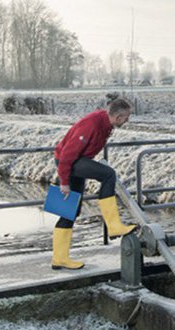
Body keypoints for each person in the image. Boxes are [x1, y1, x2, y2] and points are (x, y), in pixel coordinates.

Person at [50, 97, 138, 269]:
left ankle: (59, 258)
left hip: (76, 161)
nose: (127, 120)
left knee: (71, 211)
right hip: (67, 162)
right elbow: (68, 154)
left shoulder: (106, 124)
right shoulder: (93, 124)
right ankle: (113, 226)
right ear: (117, 117)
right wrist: (64, 182)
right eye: (126, 117)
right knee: (108, 175)